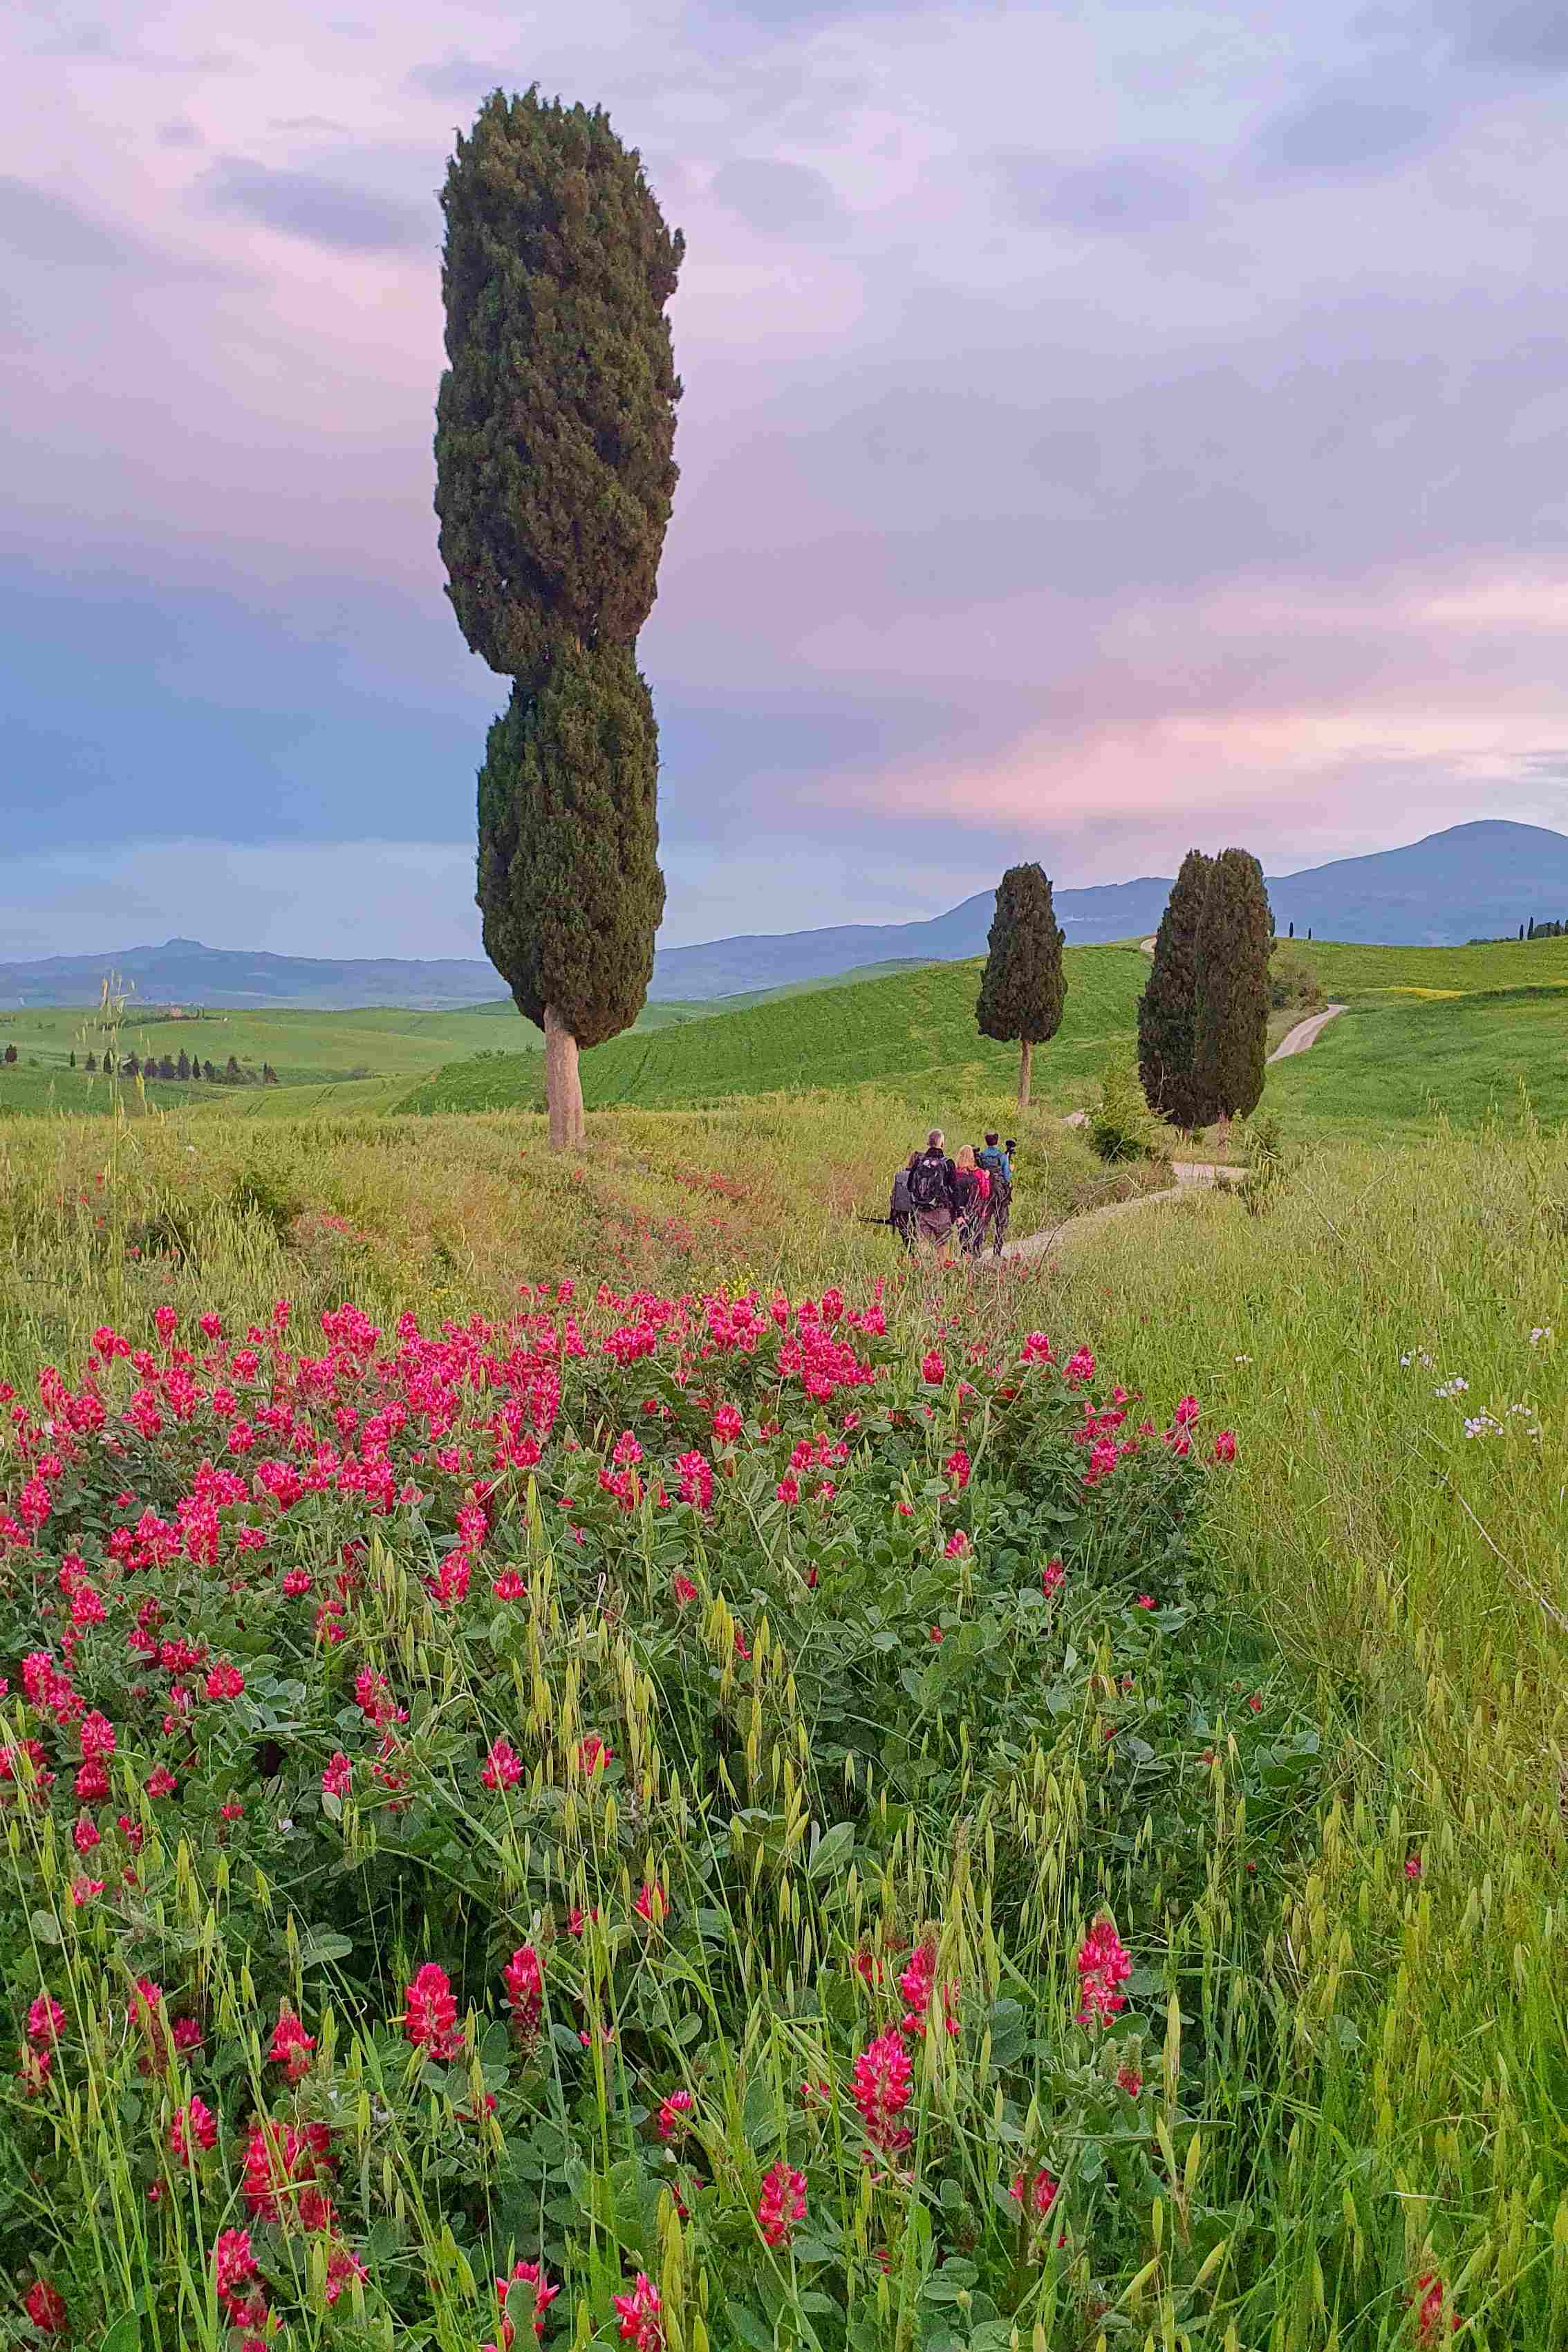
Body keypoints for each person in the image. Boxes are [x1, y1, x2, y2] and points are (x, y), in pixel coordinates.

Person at [908, 1128, 959, 1249]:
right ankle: (940, 1267)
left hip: (921, 1211)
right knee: (941, 1246)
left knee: (924, 1247)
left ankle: (925, 1267)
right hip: (941, 1212)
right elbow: (954, 1190)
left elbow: (910, 1185)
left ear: (928, 1143)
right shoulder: (947, 1163)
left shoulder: (919, 1161)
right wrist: (958, 1213)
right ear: (942, 1143)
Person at [976, 1130, 1014, 1256]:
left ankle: (977, 1251)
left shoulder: (981, 1156)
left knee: (983, 1223)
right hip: (1000, 1195)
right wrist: (1011, 1169)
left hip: (985, 1194)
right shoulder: (1002, 1156)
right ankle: (996, 1253)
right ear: (997, 1141)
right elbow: (1007, 1177)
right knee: (1001, 1222)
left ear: (986, 1141)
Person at [953, 1144, 987, 1256]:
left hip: (956, 1211)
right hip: (974, 1211)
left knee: (962, 1237)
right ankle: (974, 1259)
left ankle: (963, 1258)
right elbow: (985, 1193)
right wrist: (986, 1179)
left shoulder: (953, 1173)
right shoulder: (977, 1174)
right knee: (975, 1237)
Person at [888, 1152, 917, 1249]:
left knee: (906, 1240)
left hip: (901, 1213)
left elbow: (893, 1197)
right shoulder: (921, 1177)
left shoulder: (899, 1176)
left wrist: (893, 1215)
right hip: (916, 1213)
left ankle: (907, 1257)